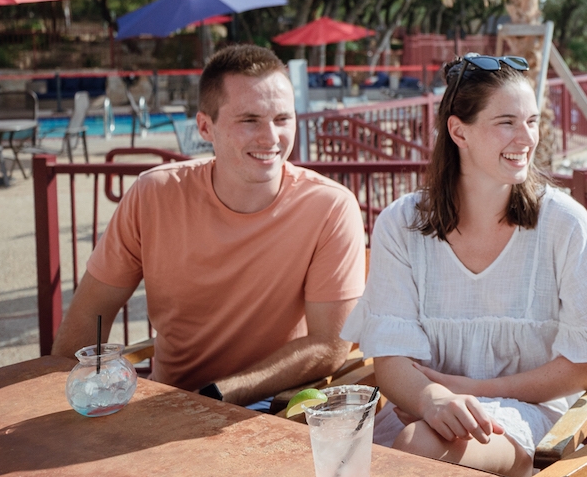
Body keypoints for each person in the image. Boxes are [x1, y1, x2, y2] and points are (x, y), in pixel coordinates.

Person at [341, 53, 587, 477]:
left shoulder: (563, 223)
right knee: (389, 454)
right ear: (458, 131)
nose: (527, 138)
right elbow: (390, 361)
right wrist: (433, 399)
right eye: (507, 122)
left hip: (527, 420)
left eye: (532, 121)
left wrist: (471, 391)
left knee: (416, 452)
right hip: (427, 411)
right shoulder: (401, 224)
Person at [52, 45, 365, 407]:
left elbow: (331, 344)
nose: (270, 137)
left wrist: (217, 395)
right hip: (165, 403)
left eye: (283, 118)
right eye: (250, 120)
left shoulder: (329, 206)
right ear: (205, 126)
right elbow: (91, 312)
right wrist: (56, 407)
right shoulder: (154, 193)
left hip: (268, 408)